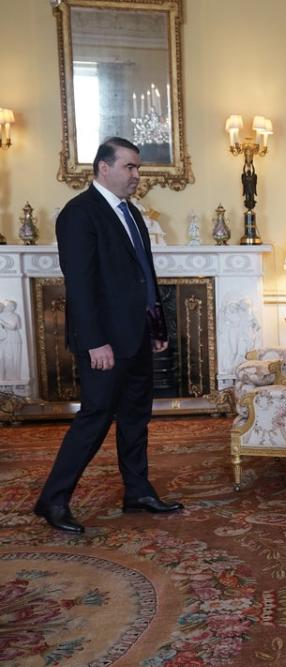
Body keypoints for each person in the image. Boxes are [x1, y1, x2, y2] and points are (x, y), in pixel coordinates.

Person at [33, 137, 183, 534]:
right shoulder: (79, 214)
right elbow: (80, 286)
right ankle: (53, 500)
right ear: (103, 167)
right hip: (104, 342)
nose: (137, 175)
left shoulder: (131, 213)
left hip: (137, 336)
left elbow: (144, 278)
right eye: (130, 167)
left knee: (136, 417)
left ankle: (137, 492)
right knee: (95, 418)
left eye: (138, 168)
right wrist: (95, 341)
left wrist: (156, 327)